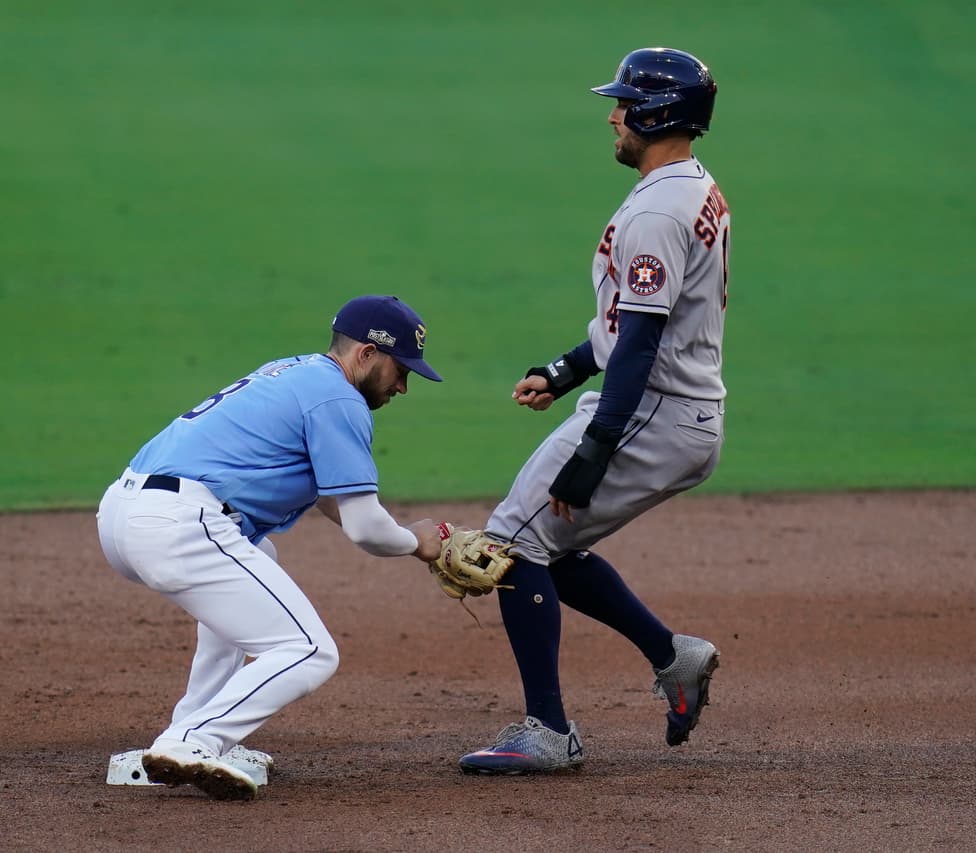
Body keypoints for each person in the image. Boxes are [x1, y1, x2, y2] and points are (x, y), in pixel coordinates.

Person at [458, 47, 731, 774]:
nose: (613, 117)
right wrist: (567, 368)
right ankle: (673, 656)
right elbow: (634, 321)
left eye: (624, 105)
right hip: (675, 407)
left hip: (651, 410)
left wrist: (596, 446)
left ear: (658, 115)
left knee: (509, 543)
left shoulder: (658, 213)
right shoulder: (692, 187)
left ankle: (547, 731)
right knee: (549, 543)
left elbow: (640, 340)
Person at [96, 295, 445, 800]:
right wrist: (419, 542)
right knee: (309, 651)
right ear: (367, 353)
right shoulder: (338, 399)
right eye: (401, 370)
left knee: (259, 561)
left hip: (126, 513)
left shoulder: (294, 372)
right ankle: (192, 741)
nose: (403, 386)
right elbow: (365, 527)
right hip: (178, 522)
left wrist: (406, 535)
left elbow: (332, 497)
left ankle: (189, 729)